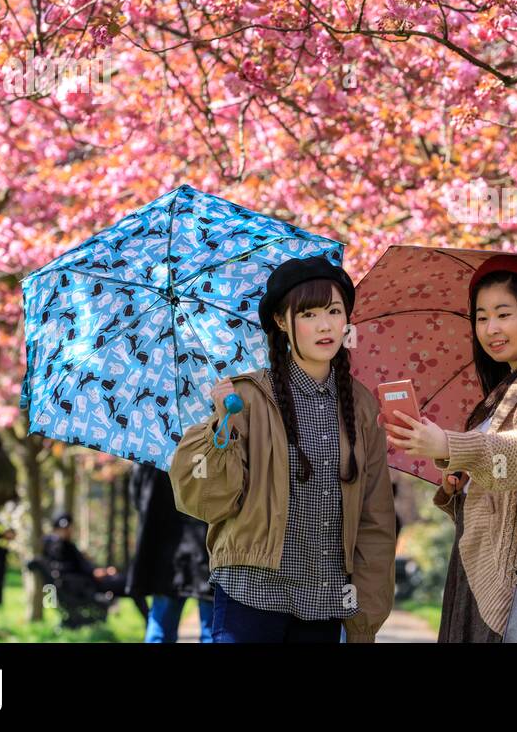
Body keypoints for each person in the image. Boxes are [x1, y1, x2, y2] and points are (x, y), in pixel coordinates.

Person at [170, 254, 397, 643]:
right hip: (251, 595)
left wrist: (367, 608)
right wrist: (219, 432)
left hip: (325, 600)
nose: (324, 325)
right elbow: (203, 501)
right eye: (307, 314)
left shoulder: (361, 406)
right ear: (281, 322)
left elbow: (375, 517)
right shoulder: (248, 398)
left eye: (334, 311)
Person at [385, 254, 517, 643]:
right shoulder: (503, 392)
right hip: (485, 575)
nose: (490, 328)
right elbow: (499, 482)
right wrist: (456, 480)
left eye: (503, 314)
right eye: (481, 317)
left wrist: (448, 442)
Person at [126, 462, 215, 642]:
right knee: (212, 632)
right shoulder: (209, 444)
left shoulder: (149, 448)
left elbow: (137, 498)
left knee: (160, 630)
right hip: (205, 552)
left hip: (163, 555)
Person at [41, 511, 130, 600]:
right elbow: (84, 570)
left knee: (131, 584)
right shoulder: (60, 547)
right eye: (63, 529)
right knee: (131, 584)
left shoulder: (65, 546)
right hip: (90, 585)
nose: (67, 531)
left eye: (68, 527)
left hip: (90, 582)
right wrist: (103, 572)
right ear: (56, 529)